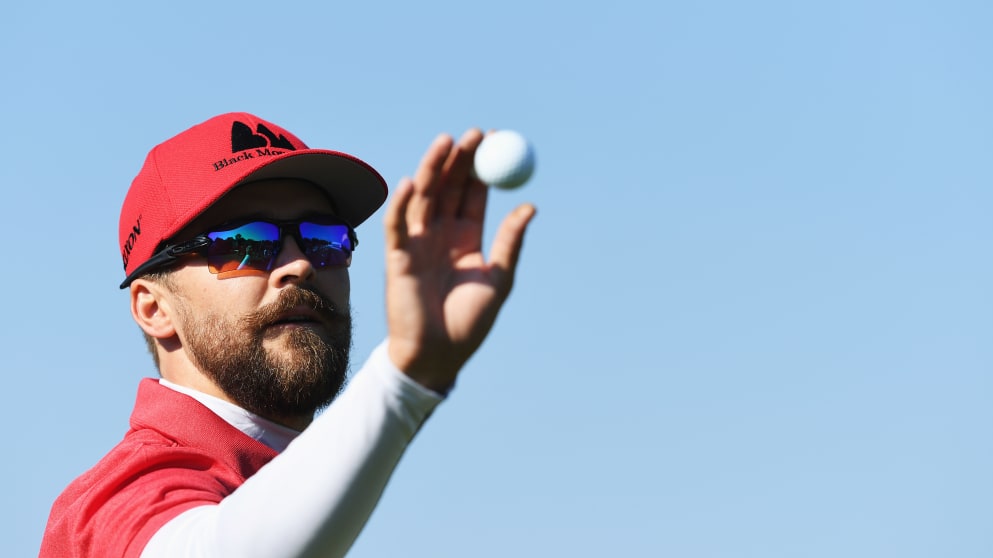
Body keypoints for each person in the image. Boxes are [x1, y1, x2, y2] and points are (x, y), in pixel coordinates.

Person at [40, 112, 536, 558]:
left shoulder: (296, 486)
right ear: (154, 308)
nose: (299, 264)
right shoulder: (114, 501)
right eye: (246, 243)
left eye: (324, 240)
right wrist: (406, 376)